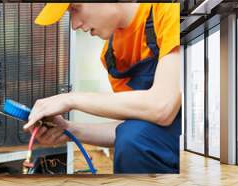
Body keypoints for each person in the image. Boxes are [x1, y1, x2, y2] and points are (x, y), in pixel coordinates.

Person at [23, 3, 181, 173]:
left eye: (75, 9)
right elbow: (132, 129)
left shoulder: (169, 12)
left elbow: (162, 108)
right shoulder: (111, 55)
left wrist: (70, 99)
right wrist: (68, 130)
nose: (74, 24)